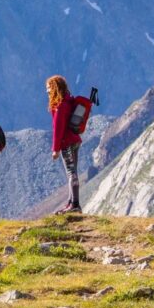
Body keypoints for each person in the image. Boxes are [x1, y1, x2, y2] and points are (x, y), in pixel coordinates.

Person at [48, 76, 92, 214]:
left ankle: (75, 204)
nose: (47, 91)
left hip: (66, 143)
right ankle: (71, 202)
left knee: (71, 172)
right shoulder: (69, 100)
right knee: (73, 172)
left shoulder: (60, 104)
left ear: (55, 87)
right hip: (75, 141)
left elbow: (58, 127)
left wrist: (55, 149)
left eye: (49, 88)